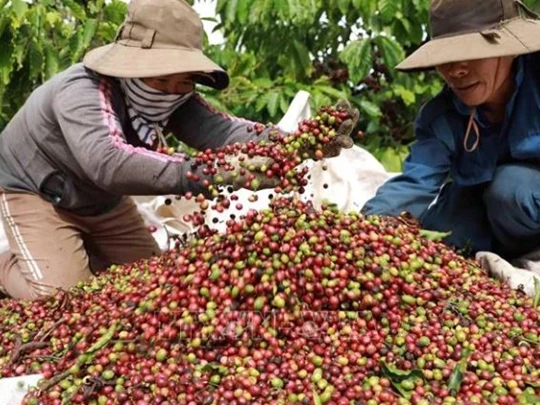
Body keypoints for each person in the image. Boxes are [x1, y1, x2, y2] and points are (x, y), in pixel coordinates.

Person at [0, 0, 357, 300]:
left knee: (148, 285)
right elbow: (109, 162)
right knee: (61, 300)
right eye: (157, 78)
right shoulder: (81, 90)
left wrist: (296, 143)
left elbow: (222, 131)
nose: (170, 90)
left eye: (182, 80)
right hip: (37, 190)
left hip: (102, 199)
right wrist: (216, 171)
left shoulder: (174, 98)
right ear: (129, 70)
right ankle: (8, 266)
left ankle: (67, 254)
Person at [363, 0, 540, 262]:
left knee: (509, 189)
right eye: (446, 58)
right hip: (489, 213)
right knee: (439, 233)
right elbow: (415, 182)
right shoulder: (441, 117)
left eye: (472, 53)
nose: (456, 70)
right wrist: (363, 229)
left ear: (511, 49)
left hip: (523, 202)